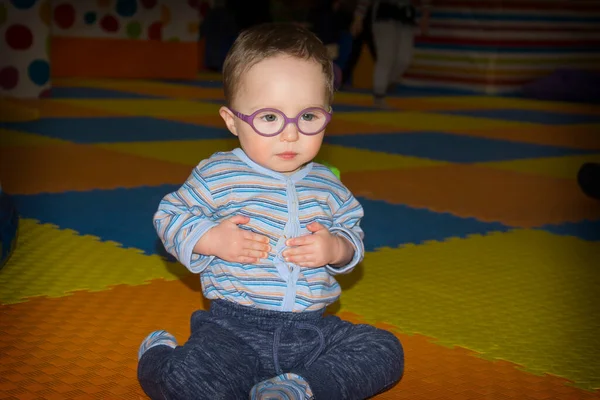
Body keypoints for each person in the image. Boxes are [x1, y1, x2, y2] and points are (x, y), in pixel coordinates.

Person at [137, 23, 404, 400]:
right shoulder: (218, 173)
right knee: (192, 384)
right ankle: (158, 357)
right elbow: (170, 215)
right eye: (269, 117)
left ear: (327, 114)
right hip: (232, 332)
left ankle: (302, 388)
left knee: (385, 350)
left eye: (308, 117)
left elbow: (351, 233)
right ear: (232, 121)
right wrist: (211, 238)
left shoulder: (329, 185)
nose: (291, 134)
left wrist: (336, 249)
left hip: (311, 333)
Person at [351, 0, 431, 108]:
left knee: (405, 59)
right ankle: (379, 96)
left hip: (405, 14)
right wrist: (358, 17)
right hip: (384, 13)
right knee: (385, 57)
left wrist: (425, 15)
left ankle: (386, 82)